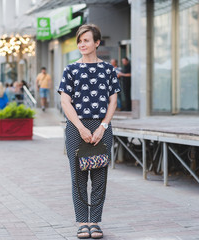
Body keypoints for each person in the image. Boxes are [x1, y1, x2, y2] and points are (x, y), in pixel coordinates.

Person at [58, 23, 121, 239]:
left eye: (86, 40)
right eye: (80, 40)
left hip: (101, 127)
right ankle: (82, 222)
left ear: (97, 42)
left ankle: (95, 221)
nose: (82, 44)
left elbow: (113, 100)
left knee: (100, 176)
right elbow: (65, 102)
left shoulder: (108, 70)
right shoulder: (71, 70)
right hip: (77, 127)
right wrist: (81, 127)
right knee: (78, 176)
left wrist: (103, 126)